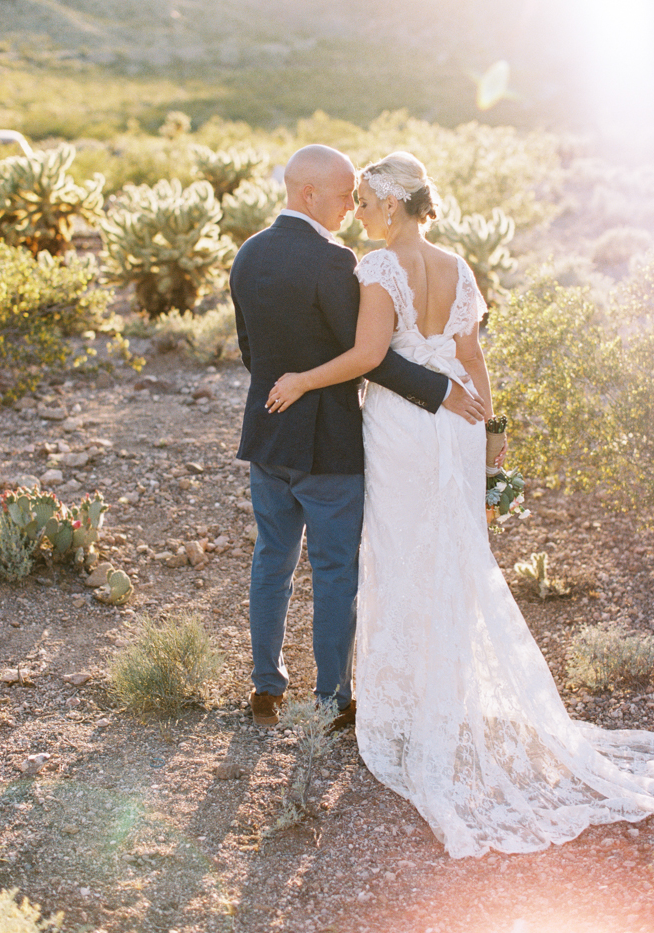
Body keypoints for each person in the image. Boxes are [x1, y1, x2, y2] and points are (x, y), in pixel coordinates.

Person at [266, 151, 654, 858]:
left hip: (402, 427)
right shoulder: (458, 264)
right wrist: (493, 432)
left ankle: (406, 707)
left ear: (390, 204)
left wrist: (301, 377)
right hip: (458, 426)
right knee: (452, 551)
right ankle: (446, 695)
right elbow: (473, 360)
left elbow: (367, 356)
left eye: (366, 202)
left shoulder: (379, 269)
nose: (357, 213)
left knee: (399, 550)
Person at [229, 145, 485, 729]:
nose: (351, 205)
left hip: (268, 436)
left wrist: (284, 390)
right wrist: (441, 390)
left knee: (271, 558)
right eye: (345, 194)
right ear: (308, 193)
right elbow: (369, 358)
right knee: (336, 569)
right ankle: (331, 697)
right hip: (331, 445)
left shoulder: (249, 253)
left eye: (358, 196)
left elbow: (251, 350)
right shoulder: (337, 263)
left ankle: (265, 689)